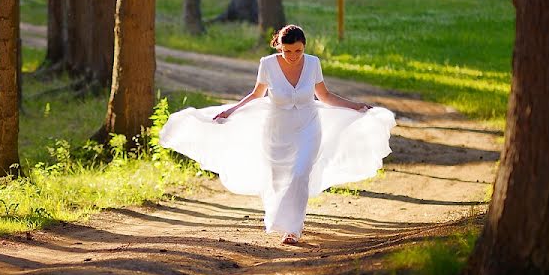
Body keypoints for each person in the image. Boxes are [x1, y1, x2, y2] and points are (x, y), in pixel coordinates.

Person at [159, 24, 395, 245]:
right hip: (276, 130)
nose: (293, 56)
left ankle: (293, 228)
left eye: (298, 50)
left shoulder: (313, 63)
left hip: (308, 127)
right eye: (288, 51)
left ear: (304, 47)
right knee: (277, 177)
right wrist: (230, 110)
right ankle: (277, 218)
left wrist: (356, 106)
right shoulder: (268, 64)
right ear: (279, 46)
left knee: (301, 172)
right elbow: (256, 94)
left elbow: (324, 96)